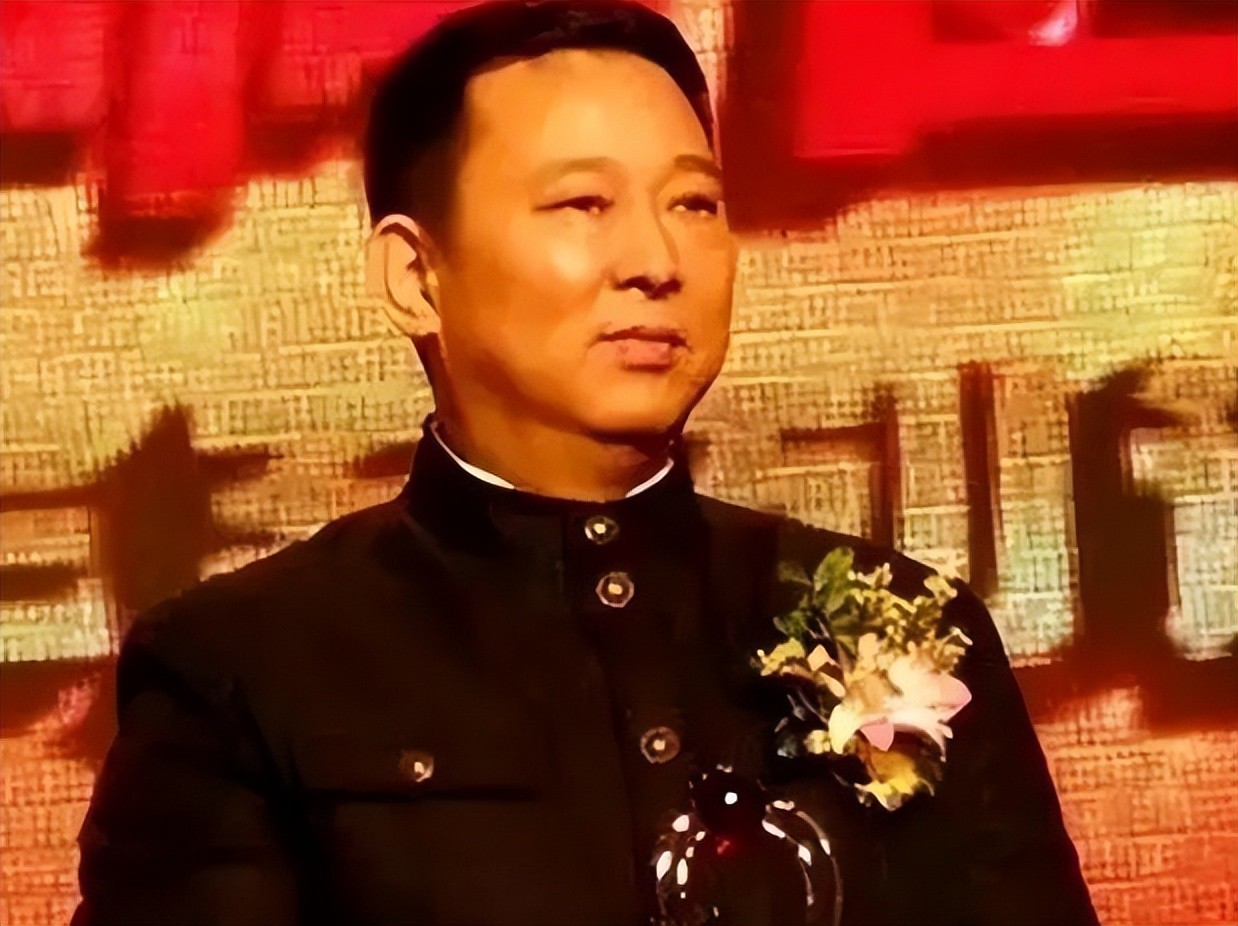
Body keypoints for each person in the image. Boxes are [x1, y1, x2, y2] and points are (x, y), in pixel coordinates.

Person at [72, 2, 1098, 924]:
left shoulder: (907, 626)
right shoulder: (246, 670)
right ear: (414, 276)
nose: (655, 261)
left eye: (693, 204)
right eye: (581, 204)